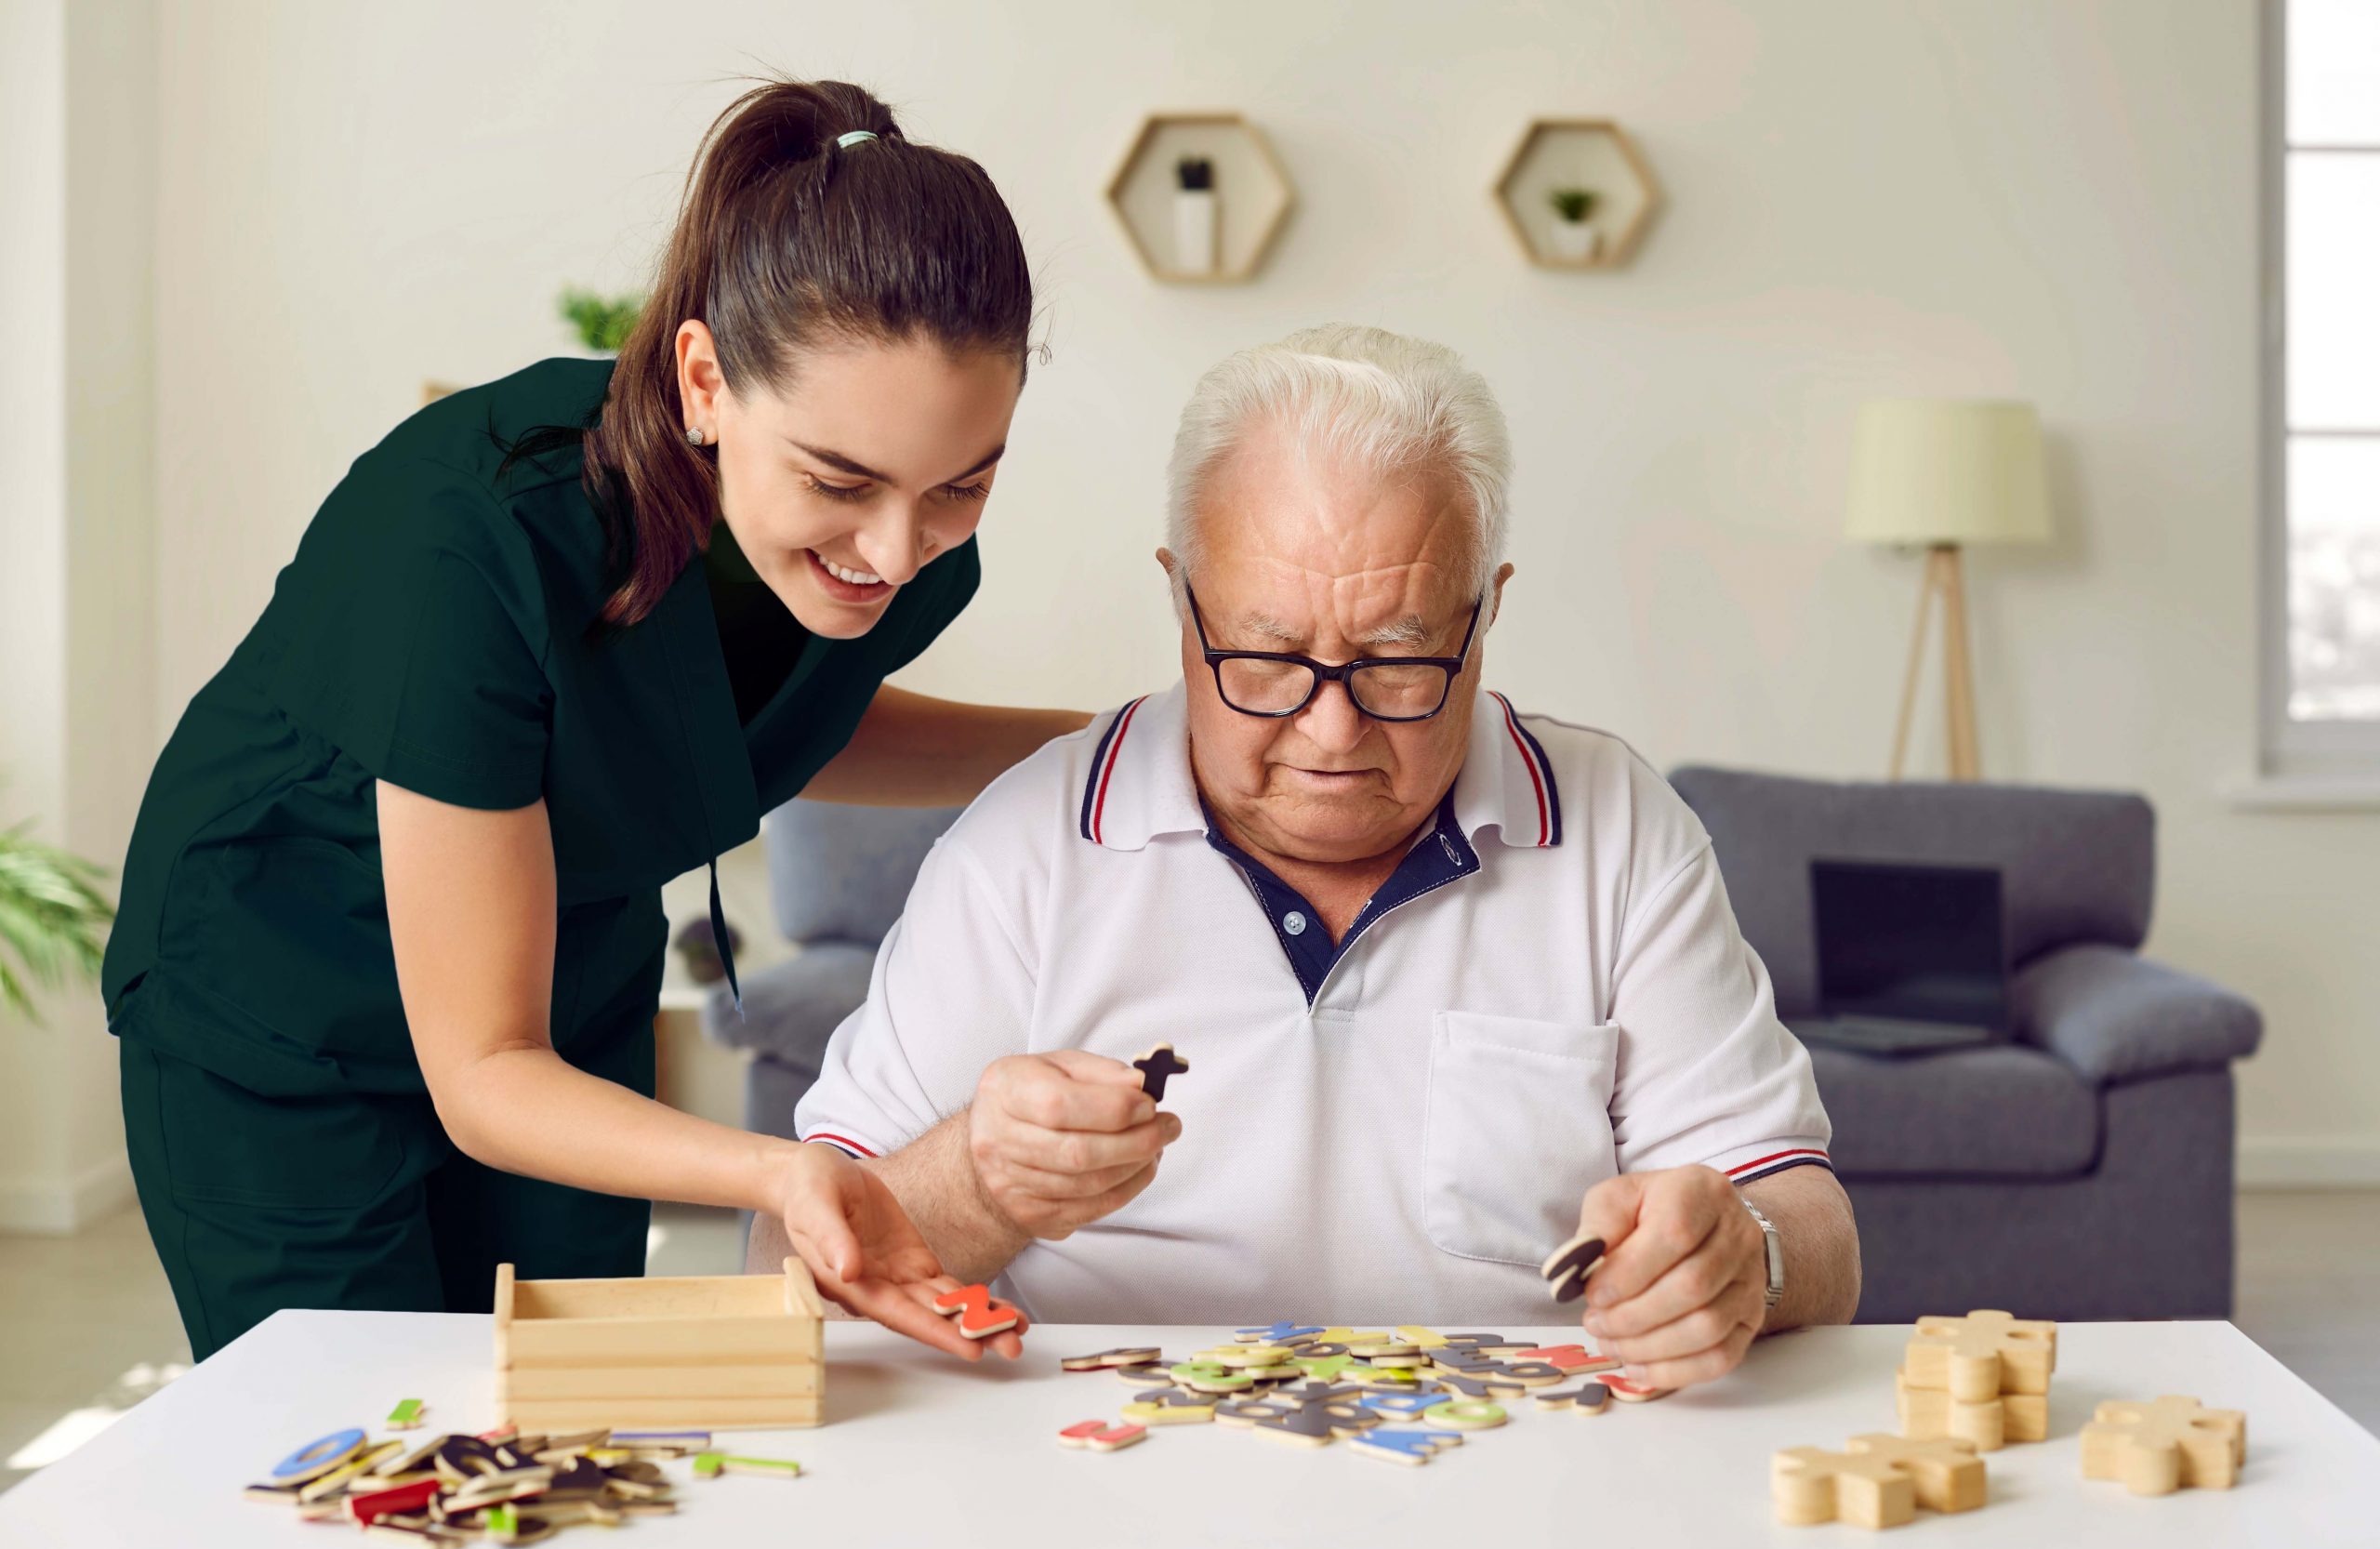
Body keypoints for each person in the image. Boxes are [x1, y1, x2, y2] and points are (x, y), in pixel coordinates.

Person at [103, 79, 1079, 1362]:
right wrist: (783, 1173)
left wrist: (1113, 741)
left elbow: (773, 722)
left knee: (570, 1398)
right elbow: (487, 1067)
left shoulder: (896, 556)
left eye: (963, 481)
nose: (897, 548)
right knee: (369, 1428)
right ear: (705, 379)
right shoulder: (471, 540)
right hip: (282, 996)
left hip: (564, 976)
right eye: (839, 480)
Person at [760, 324, 1860, 1390]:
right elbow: (783, 1264)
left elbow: (1813, 1227)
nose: (1331, 733)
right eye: (1268, 654)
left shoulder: (1620, 828)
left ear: (1486, 614)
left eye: (1398, 659)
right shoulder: (1022, 847)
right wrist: (976, 1186)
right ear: (1179, 602)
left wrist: (1744, 1257)